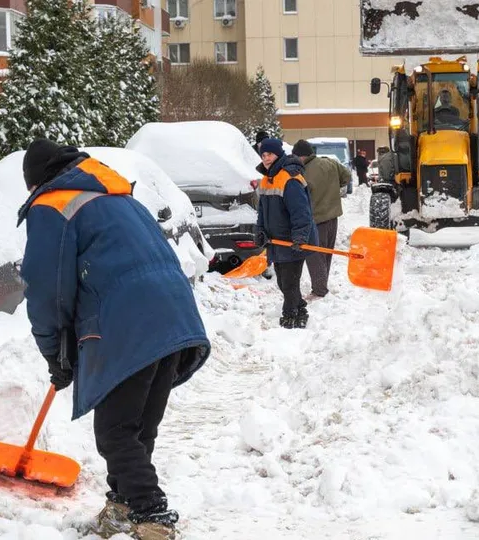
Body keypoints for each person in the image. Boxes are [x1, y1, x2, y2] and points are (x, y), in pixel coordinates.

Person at [17, 139, 211, 540]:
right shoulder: (119, 195)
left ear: (36, 182)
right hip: (174, 314)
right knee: (138, 427)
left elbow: (45, 289)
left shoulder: (51, 205)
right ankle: (123, 507)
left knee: (115, 432)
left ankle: (152, 514)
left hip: (130, 321)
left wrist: (55, 354)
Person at [254, 138, 319, 329]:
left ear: (278, 154)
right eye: (263, 155)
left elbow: (301, 213)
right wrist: (260, 230)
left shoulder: (290, 178)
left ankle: (290, 316)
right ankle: (300, 310)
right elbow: (262, 211)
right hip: (277, 241)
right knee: (283, 282)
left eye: (270, 154)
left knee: (289, 282)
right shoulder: (267, 179)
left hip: (293, 240)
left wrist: (299, 237)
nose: (266, 158)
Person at [292, 139, 350, 299]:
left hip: (315, 220)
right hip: (333, 217)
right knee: (326, 254)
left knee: (314, 255)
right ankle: (322, 286)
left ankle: (319, 291)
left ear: (301, 156)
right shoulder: (330, 163)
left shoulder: (302, 171)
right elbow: (346, 176)